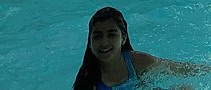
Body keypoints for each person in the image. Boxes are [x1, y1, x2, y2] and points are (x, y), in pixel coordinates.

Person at [71, 7, 202, 90]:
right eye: (98, 37)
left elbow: (179, 69)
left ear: (123, 38)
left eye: (111, 35)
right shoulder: (88, 80)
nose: (104, 42)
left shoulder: (137, 62)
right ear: (90, 43)